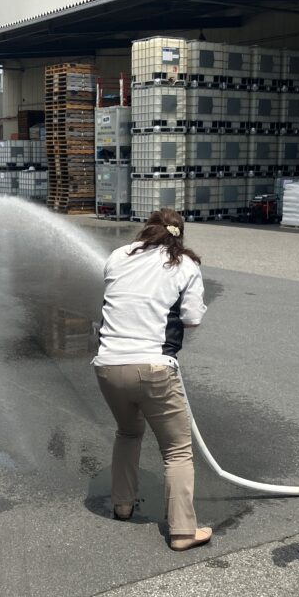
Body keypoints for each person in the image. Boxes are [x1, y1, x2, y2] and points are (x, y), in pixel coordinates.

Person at [93, 207, 211, 551]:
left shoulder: (118, 256)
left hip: (107, 366)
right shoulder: (185, 265)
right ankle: (183, 532)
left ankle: (122, 505)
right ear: (179, 234)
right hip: (153, 368)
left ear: (146, 229)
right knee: (177, 449)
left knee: (128, 432)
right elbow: (192, 318)